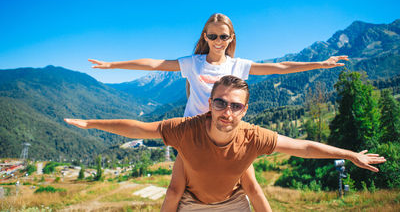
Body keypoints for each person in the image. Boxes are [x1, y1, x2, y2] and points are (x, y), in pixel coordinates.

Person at [88, 13, 349, 211]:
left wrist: (320, 64)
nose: (217, 41)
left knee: (251, 186)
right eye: (212, 36)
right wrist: (113, 64)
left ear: (231, 38)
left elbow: (279, 67)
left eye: (223, 37)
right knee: (176, 188)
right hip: (194, 136)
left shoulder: (239, 65)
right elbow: (155, 64)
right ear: (204, 37)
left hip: (229, 131)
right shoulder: (192, 63)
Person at [64, 75, 386, 212]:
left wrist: (350, 155)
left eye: (235, 106)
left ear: (244, 110)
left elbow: (301, 147)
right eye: (220, 103)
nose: (226, 112)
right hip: (193, 204)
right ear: (209, 104)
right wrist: (92, 123)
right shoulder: (185, 130)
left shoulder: (253, 137)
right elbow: (139, 128)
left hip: (233, 204)